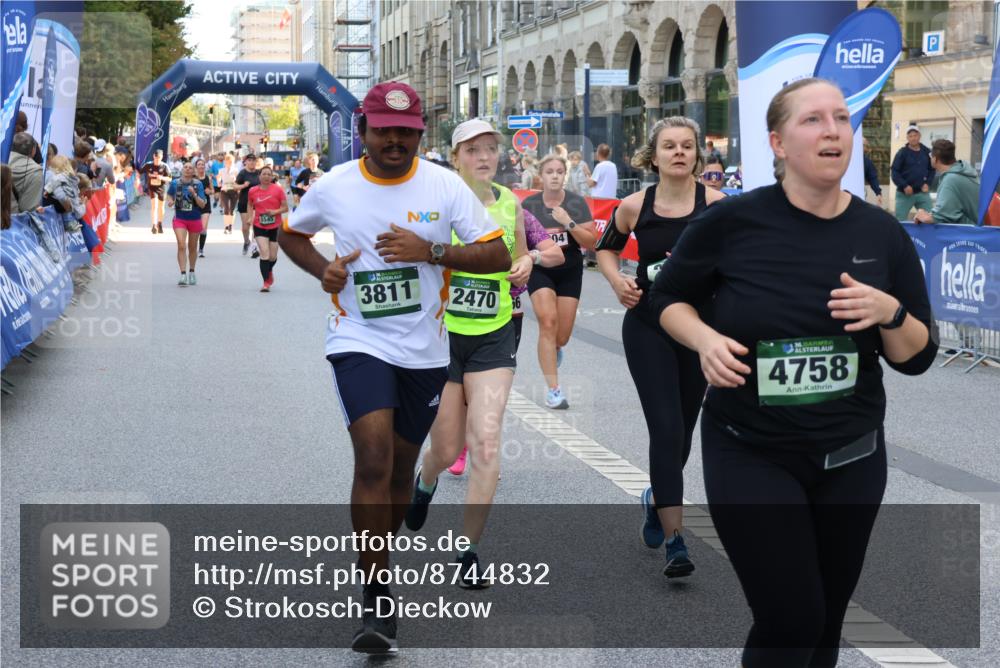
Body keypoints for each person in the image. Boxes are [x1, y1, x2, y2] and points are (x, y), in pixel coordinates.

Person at [650, 78, 937, 668]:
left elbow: (917, 356)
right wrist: (703, 339)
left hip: (852, 458)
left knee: (826, 619)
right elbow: (666, 300)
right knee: (792, 617)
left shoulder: (881, 233)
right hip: (752, 451)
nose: (833, 129)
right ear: (778, 142)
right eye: (813, 120)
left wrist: (891, 312)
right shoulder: (732, 222)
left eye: (841, 118)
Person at [278, 82, 509, 655]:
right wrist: (324, 271)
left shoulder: (444, 186)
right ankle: (378, 598)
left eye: (406, 131)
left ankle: (389, 539)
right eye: (384, 129)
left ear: (419, 135)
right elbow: (290, 233)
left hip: (427, 350)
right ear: (364, 131)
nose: (395, 140)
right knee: (373, 456)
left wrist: (431, 251)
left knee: (402, 471)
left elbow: (497, 254)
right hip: (357, 337)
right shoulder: (334, 185)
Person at [404, 118, 535, 585]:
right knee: (445, 447)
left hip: (494, 334)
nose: (484, 157)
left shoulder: (509, 204)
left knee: (485, 442)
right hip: (441, 338)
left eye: (490, 150)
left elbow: (521, 253)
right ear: (456, 156)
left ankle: (469, 550)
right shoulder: (435, 204)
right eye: (473, 150)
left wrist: (526, 261)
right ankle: (425, 481)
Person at [597, 116, 726, 579]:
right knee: (666, 429)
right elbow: (605, 248)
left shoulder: (717, 206)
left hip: (699, 330)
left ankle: (656, 497)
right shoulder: (634, 205)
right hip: (648, 325)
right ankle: (676, 540)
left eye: (687, 146)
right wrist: (616, 281)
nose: (678, 153)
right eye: (668, 146)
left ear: (697, 154)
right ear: (653, 156)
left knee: (684, 432)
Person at [522, 154, 598, 409]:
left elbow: (591, 243)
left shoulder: (576, 203)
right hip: (541, 268)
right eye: (549, 171)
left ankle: (554, 350)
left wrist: (569, 223)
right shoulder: (529, 205)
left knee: (561, 336)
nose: (554, 176)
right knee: (548, 322)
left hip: (569, 270)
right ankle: (554, 390)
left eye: (559, 171)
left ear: (564, 175)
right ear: (541, 176)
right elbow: (520, 240)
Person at [912, 139, 979, 226]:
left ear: (935, 159)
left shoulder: (951, 179)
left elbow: (942, 215)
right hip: (980, 230)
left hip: (970, 235)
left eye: (930, 155)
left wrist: (924, 216)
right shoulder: (963, 172)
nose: (930, 157)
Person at [247, 165, 288, 291]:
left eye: (268, 174)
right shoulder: (253, 191)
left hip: (275, 226)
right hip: (259, 225)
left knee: (273, 256)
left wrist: (274, 212)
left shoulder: (278, 190)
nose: (266, 176)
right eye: (263, 174)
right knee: (264, 253)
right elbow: (250, 204)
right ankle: (266, 282)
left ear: (272, 177)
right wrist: (250, 217)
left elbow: (285, 208)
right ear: (259, 176)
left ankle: (269, 270)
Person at [166, 161, 207, 286]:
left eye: (190, 168)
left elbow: (203, 204)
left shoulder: (198, 184)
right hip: (180, 218)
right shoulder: (175, 183)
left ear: (193, 171)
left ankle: (192, 271)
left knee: (192, 247)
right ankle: (183, 274)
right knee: (181, 245)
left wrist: (194, 194)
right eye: (185, 167)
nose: (188, 169)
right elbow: (169, 195)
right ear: (182, 169)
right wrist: (171, 201)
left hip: (195, 218)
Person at [890, 124, 935, 220]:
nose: (913, 138)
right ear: (907, 138)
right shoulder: (902, 153)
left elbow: (932, 169)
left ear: (919, 136)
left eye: (915, 135)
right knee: (900, 221)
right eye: (910, 136)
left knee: (931, 218)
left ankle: (926, 235)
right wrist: (904, 185)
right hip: (905, 194)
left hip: (922, 193)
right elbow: (894, 172)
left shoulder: (927, 152)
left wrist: (928, 183)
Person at [9, 132, 43, 213]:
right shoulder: (35, 171)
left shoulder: (3, 159)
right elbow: (28, 209)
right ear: (33, 150)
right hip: (11, 222)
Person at [140, 150, 171, 234]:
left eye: (159, 158)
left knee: (161, 207)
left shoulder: (165, 166)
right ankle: (154, 225)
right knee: (154, 206)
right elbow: (139, 172)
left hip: (161, 188)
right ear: (153, 156)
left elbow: (170, 178)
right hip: (152, 188)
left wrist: (162, 178)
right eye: (156, 158)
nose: (157, 160)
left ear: (162, 157)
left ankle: (159, 223)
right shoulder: (148, 165)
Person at [235, 154, 261, 255]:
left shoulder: (259, 173)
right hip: (244, 202)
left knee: (255, 225)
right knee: (246, 227)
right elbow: (235, 186)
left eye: (253, 160)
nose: (252, 162)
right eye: (249, 160)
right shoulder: (242, 173)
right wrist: (243, 185)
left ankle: (254, 247)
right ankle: (246, 241)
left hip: (257, 203)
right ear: (246, 162)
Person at [194, 158, 214, 258]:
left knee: (203, 228)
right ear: (196, 167)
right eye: (199, 164)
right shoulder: (192, 178)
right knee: (195, 228)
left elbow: (212, 191)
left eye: (203, 164)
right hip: (195, 205)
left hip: (206, 205)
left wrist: (209, 191)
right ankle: (193, 246)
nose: (201, 166)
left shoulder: (208, 178)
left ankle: (201, 249)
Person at [217, 153, 240, 234]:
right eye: (227, 162)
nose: (229, 164)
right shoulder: (222, 170)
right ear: (225, 162)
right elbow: (218, 177)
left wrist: (235, 179)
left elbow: (239, 181)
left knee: (232, 210)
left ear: (233, 162)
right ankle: (226, 226)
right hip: (225, 191)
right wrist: (219, 183)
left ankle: (230, 225)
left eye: (231, 162)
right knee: (226, 209)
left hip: (234, 191)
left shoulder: (236, 170)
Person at [862, 137, 882, 207]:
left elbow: (872, 178)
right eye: (864, 145)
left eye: (865, 146)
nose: (866, 148)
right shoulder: (844, 158)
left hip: (859, 194)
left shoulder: (867, 162)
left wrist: (878, 193)